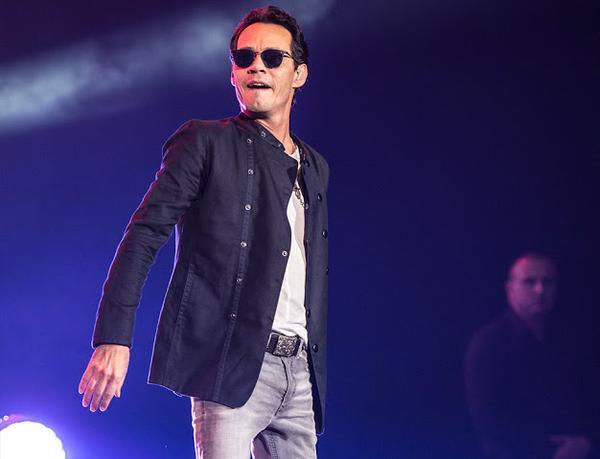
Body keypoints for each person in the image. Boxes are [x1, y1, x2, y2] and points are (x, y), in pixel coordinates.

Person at [78, 6, 330, 458]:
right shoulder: (204, 142)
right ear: (233, 74)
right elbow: (144, 234)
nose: (256, 66)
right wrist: (113, 337)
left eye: (272, 58)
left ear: (299, 74)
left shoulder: (315, 167)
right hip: (231, 363)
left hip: (299, 372)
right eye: (244, 58)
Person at [465, 253, 595, 459]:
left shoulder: (572, 340)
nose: (540, 290)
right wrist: (552, 451)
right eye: (529, 282)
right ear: (510, 290)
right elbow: (488, 421)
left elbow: (590, 398)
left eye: (547, 282)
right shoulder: (488, 343)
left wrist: (586, 442)